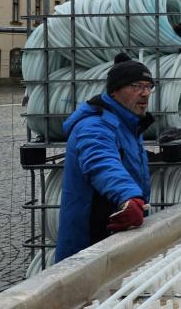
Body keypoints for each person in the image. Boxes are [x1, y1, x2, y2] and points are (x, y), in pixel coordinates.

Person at [54, 54, 155, 263]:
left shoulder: (129, 124)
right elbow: (101, 163)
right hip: (90, 242)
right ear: (115, 91)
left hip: (115, 238)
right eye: (136, 86)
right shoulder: (95, 126)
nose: (145, 94)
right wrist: (129, 197)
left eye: (149, 87)